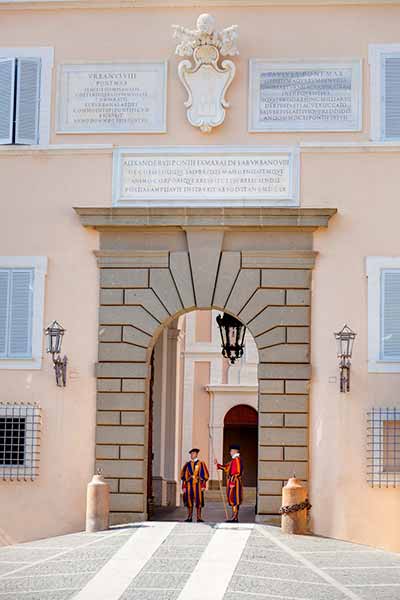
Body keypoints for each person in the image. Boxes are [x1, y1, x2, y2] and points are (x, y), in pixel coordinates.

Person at [215, 443, 243, 522]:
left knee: (235, 499)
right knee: (233, 499)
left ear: (234, 451)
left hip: (235, 482)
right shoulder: (233, 461)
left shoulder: (237, 460)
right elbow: (227, 468)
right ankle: (234, 516)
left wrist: (233, 482)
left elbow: (237, 472)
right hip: (232, 482)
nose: (230, 452)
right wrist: (218, 465)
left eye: (231, 451)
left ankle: (235, 517)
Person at [180, 448, 209, 522]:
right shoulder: (187, 464)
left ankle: (199, 517)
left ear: (196, 454)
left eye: (193, 453)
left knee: (199, 501)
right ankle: (189, 517)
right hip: (189, 486)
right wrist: (183, 487)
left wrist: (203, 486)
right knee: (189, 501)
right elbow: (183, 477)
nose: (192, 455)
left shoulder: (201, 464)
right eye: (191, 454)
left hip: (198, 486)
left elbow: (205, 476)